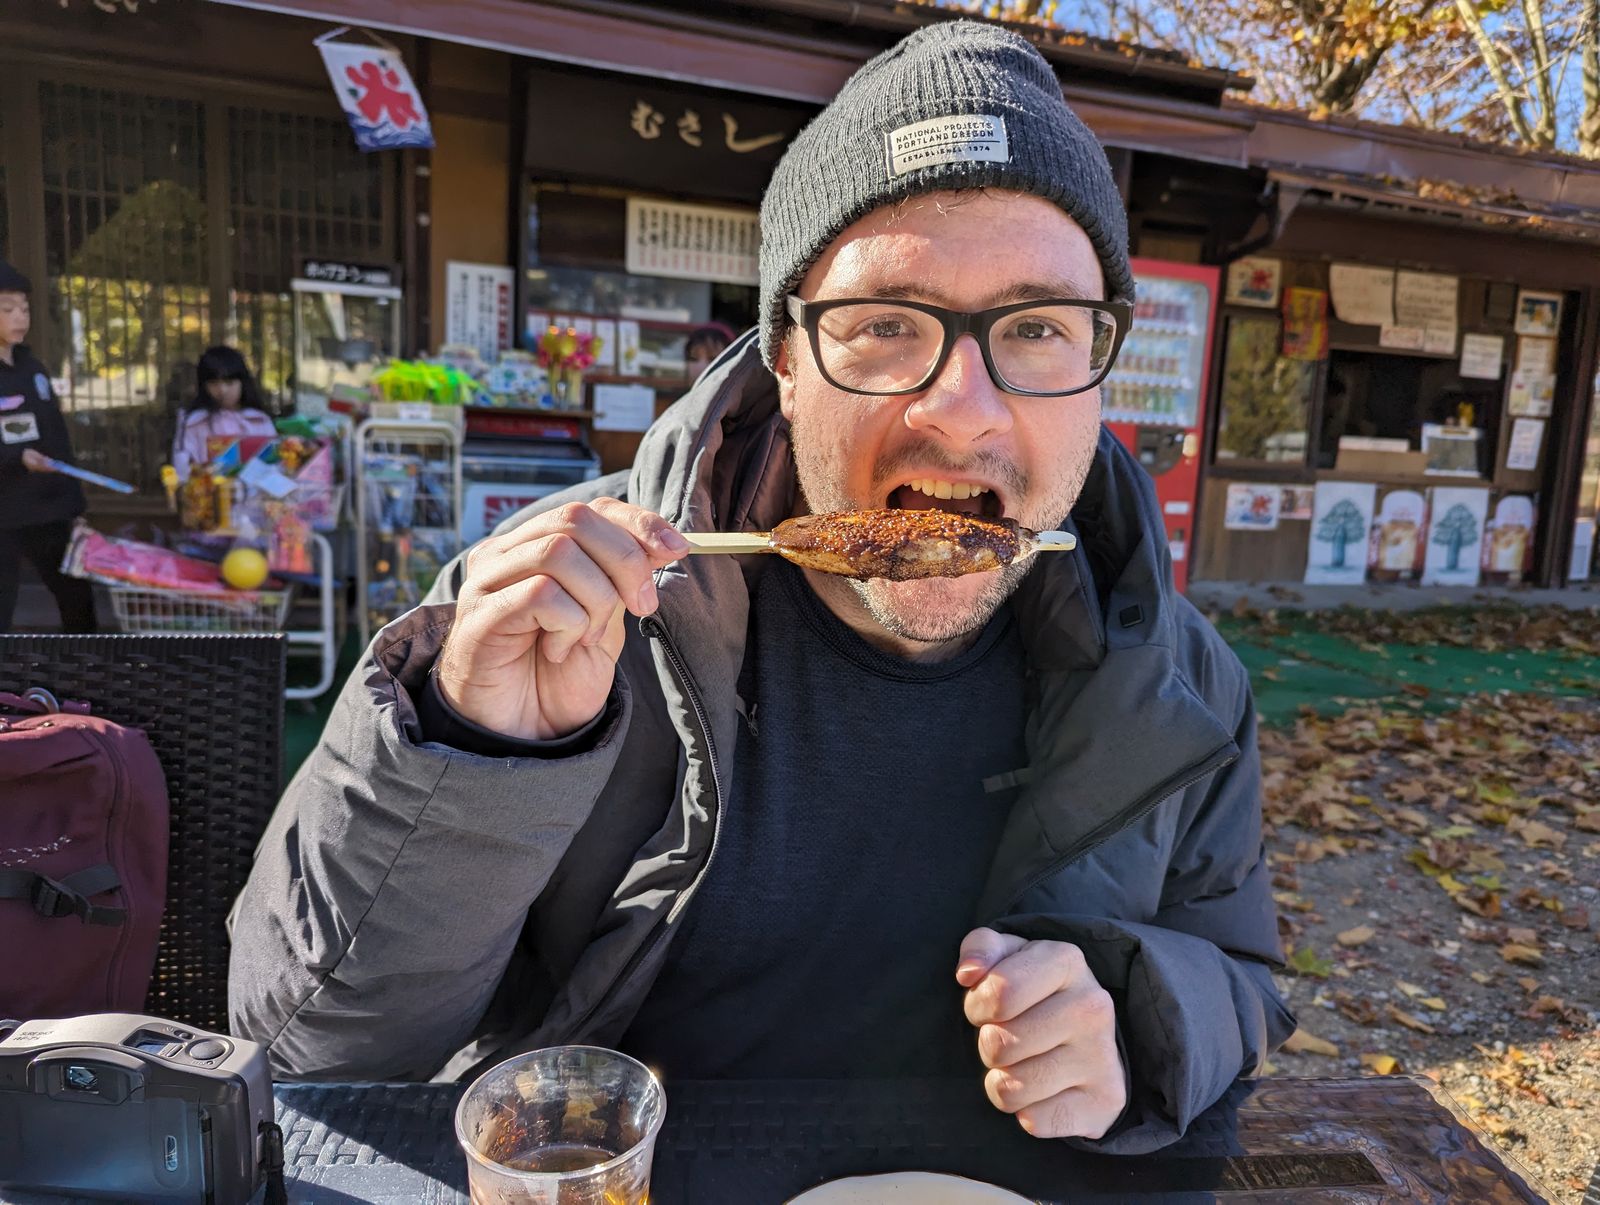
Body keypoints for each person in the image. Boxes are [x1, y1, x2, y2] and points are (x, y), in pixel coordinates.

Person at [230, 22, 1292, 1152]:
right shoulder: (559, 609)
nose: (965, 409)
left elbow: (1240, 971)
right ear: (785, 361)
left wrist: (1138, 1020)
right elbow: (308, 1059)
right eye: (886, 325)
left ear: (1100, 362)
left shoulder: (1172, 675)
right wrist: (476, 755)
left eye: (1035, 328)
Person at [0, 261, 96, 634]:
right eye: (8, 309)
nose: (20, 317)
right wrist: (13, 457)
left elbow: (57, 441)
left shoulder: (33, 368)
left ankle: (84, 681)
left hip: (49, 509)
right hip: (5, 512)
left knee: (77, 602)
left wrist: (75, 508)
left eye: (24, 308)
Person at [171, 345, 276, 480]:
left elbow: (275, 469)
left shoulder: (260, 420)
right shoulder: (193, 423)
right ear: (204, 386)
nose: (222, 390)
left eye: (229, 382)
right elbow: (182, 473)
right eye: (214, 383)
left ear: (242, 382)